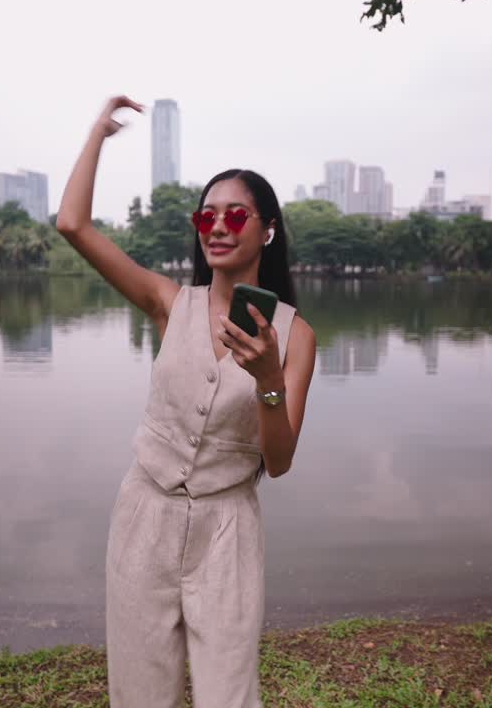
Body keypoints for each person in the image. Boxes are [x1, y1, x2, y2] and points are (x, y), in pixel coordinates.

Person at [55, 96, 318, 708]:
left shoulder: (295, 336)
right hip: (143, 517)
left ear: (268, 229)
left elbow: (277, 463)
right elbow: (73, 225)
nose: (219, 228)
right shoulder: (170, 302)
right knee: (142, 691)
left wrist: (269, 379)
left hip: (227, 531)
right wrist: (97, 133)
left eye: (235, 215)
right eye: (207, 218)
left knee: (229, 693)